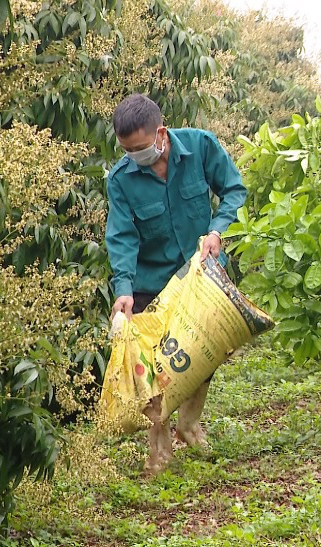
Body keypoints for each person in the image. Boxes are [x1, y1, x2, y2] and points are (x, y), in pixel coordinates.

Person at [104, 94, 246, 475]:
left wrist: (218, 229)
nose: (133, 156)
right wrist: (124, 289)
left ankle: (189, 423)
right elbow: (121, 237)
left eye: (139, 148)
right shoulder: (121, 179)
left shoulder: (201, 146)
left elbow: (234, 189)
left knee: (206, 352)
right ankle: (160, 445)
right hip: (153, 281)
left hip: (203, 272)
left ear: (161, 134)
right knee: (155, 366)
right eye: (126, 150)